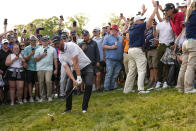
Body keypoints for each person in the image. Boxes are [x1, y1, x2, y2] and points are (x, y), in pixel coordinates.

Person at [123, 1, 157, 94]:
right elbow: (150, 19)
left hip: (130, 51)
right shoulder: (139, 26)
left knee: (131, 71)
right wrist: (155, 8)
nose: (143, 21)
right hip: (137, 50)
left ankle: (127, 90)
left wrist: (142, 13)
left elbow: (137, 20)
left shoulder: (132, 27)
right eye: (141, 20)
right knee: (142, 70)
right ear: (138, 22)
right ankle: (141, 89)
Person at [53, 36, 93, 113]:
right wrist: (73, 80)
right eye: (55, 44)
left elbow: (75, 62)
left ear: (62, 41)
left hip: (86, 66)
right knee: (68, 89)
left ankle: (84, 108)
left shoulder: (71, 45)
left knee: (88, 84)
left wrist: (78, 77)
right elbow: (67, 68)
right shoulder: (60, 55)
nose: (57, 45)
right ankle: (68, 109)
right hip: (75, 69)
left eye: (58, 43)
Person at [177, 1, 196, 93]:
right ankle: (188, 88)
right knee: (191, 66)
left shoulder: (188, 15)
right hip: (193, 42)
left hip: (186, 42)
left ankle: (180, 88)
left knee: (184, 66)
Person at [34, 36, 58, 102]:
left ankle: (49, 96)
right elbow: (35, 59)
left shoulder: (53, 49)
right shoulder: (38, 49)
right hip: (40, 68)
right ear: (41, 42)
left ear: (48, 41)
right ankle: (42, 97)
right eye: (43, 41)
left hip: (49, 68)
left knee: (48, 81)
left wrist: (56, 68)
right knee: (41, 82)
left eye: (46, 40)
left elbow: (55, 59)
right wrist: (42, 55)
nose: (45, 42)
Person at [102, 24, 123, 91]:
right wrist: (111, 47)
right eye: (111, 29)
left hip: (119, 59)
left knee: (115, 74)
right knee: (109, 73)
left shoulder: (120, 37)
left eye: (114, 29)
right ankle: (106, 88)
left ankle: (111, 87)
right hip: (110, 59)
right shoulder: (107, 37)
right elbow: (103, 46)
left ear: (117, 30)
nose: (112, 31)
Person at [24, 36, 39, 102]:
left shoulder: (39, 47)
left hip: (37, 68)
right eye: (32, 40)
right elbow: (25, 59)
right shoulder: (26, 48)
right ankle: (30, 97)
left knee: (37, 83)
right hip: (29, 68)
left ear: (36, 41)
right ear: (30, 41)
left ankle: (36, 96)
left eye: (34, 40)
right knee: (29, 83)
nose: (33, 42)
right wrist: (30, 54)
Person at [0, 39, 12, 104]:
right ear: (2, 45)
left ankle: (7, 100)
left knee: (8, 86)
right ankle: (2, 101)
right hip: (1, 72)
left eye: (7, 43)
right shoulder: (0, 52)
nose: (6, 45)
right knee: (1, 87)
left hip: (9, 71)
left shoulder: (10, 52)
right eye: (4, 44)